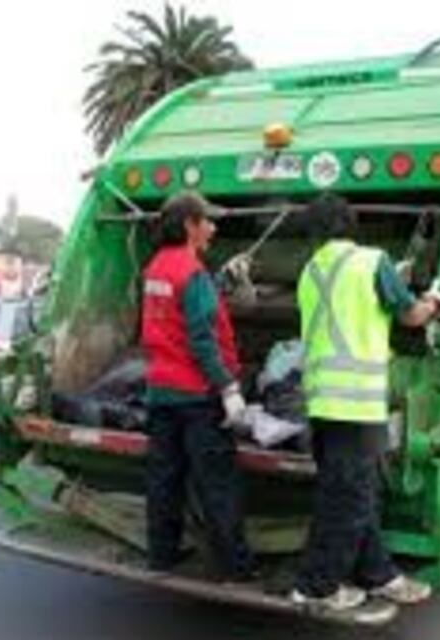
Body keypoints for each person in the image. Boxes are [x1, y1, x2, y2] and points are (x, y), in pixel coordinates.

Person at [291, 193, 440, 611]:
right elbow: (411, 316)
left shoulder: (309, 271)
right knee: (349, 499)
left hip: (322, 403)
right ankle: (315, 586)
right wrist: (436, 301)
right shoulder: (371, 262)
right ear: (349, 223)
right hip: (356, 405)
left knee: (357, 492)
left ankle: (380, 575)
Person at [140, 190, 255, 580]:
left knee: (164, 479)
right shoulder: (192, 273)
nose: (213, 226)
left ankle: (162, 555)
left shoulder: (156, 266)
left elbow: (172, 318)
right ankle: (235, 567)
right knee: (217, 485)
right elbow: (201, 340)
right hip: (196, 397)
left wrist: (218, 284)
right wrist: (228, 388)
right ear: (190, 225)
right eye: (207, 219)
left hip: (160, 392)